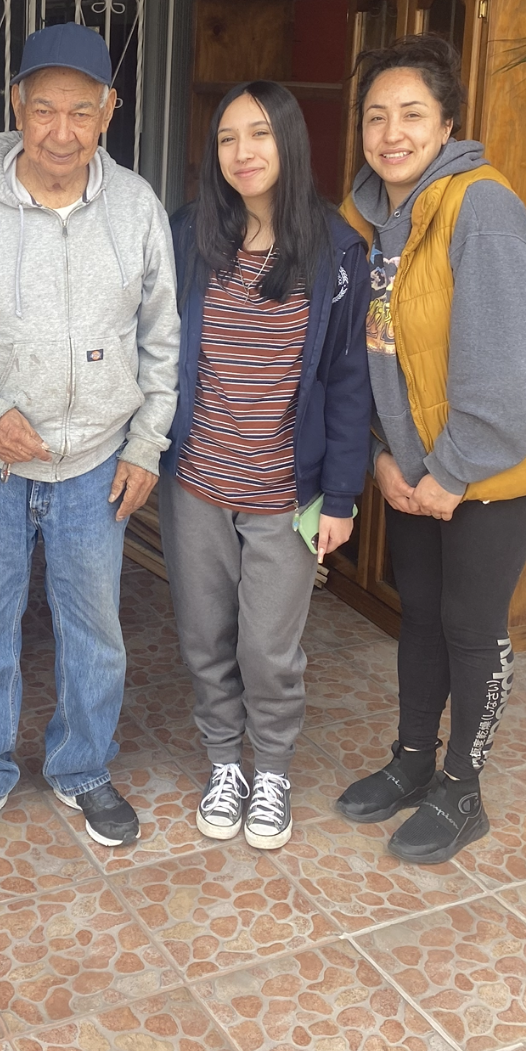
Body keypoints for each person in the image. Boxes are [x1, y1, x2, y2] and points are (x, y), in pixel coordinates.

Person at [0, 24, 180, 859]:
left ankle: (82, 766)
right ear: (15, 104)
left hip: (97, 462)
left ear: (108, 113)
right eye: (45, 109)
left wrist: (146, 446)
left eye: (82, 112)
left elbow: (163, 338)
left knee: (95, 628)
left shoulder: (135, 209)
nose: (62, 131)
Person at [335, 34, 526, 862]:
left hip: (501, 461)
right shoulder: (366, 218)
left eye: (412, 113)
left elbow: (515, 374)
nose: (392, 132)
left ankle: (463, 789)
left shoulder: (481, 206)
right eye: (377, 116)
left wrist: (450, 472)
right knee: (420, 617)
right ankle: (412, 762)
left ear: (448, 124)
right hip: (415, 469)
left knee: (469, 623)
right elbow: (364, 358)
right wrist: (384, 458)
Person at [159, 82, 371, 850]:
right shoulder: (189, 236)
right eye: (226, 139)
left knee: (268, 647)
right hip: (197, 484)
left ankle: (272, 769)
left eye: (259, 135)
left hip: (287, 490)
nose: (242, 154)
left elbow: (349, 382)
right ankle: (225, 762)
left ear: (289, 142)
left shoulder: (338, 251)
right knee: (204, 634)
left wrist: (341, 495)